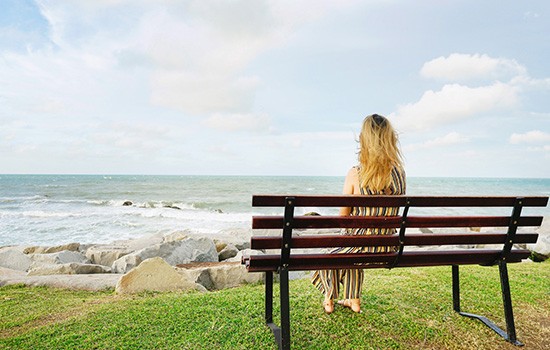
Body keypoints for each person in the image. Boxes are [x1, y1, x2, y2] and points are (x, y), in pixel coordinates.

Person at [311, 113, 406, 314]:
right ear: (390, 140)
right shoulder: (400, 174)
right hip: (388, 246)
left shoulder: (356, 173)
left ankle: (329, 298)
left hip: (361, 245)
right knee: (351, 246)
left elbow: (343, 218)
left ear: (364, 141)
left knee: (329, 254)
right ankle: (353, 300)